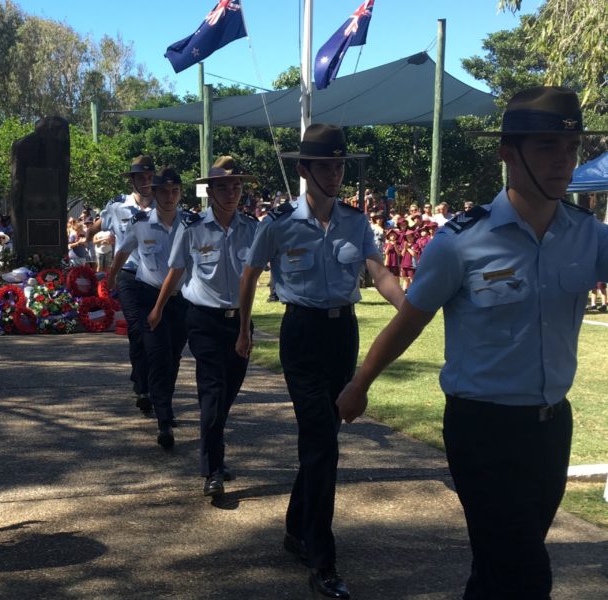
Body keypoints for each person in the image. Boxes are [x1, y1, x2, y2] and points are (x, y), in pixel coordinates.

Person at [336, 86, 608, 600]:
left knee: (499, 565)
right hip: (483, 429)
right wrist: (360, 383)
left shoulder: (589, 236)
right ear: (509, 153)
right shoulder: (460, 241)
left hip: (552, 428)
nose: (565, 162)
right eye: (548, 146)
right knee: (525, 571)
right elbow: (409, 321)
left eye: (572, 148)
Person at [236, 125, 404, 600]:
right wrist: (244, 327)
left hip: (342, 334)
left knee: (322, 438)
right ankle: (322, 559)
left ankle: (295, 529)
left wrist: (410, 308)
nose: (335, 173)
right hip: (302, 335)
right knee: (322, 444)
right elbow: (249, 274)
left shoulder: (355, 221)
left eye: (340, 164)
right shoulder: (278, 222)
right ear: (304, 170)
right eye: (326, 166)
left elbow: (379, 271)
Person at [148, 156, 258, 498]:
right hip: (203, 320)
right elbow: (176, 271)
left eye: (236, 186)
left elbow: (255, 279)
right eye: (223, 187)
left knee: (226, 395)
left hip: (239, 321)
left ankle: (214, 450)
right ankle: (212, 471)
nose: (231, 193)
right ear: (209, 192)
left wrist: (244, 329)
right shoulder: (192, 229)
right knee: (212, 391)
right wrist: (158, 307)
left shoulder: (252, 229)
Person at [107, 167, 188, 449]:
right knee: (157, 354)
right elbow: (124, 251)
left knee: (174, 356)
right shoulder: (140, 223)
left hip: (180, 301)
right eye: (163, 191)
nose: (169, 197)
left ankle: (165, 399)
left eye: (175, 191)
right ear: (154, 194)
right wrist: (110, 277)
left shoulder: (190, 224)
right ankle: (163, 419)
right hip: (147, 296)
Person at [88, 156, 156, 413]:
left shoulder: (165, 203)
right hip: (128, 275)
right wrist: (87, 237)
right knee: (138, 329)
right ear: (133, 180)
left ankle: (150, 381)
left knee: (156, 332)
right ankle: (143, 386)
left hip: (156, 278)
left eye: (150, 177)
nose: (147, 182)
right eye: (141, 177)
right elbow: (99, 224)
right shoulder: (118, 207)